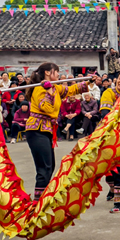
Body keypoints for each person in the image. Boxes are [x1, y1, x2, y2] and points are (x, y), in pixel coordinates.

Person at [24, 63, 89, 201]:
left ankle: (43, 198)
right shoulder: (39, 89)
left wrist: (88, 81)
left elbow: (70, 90)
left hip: (46, 129)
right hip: (37, 130)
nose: (59, 75)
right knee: (44, 168)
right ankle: (37, 202)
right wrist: (49, 92)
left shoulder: (54, 87)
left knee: (50, 166)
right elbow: (46, 108)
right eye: (56, 72)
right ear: (48, 73)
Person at [99, 69, 120, 213]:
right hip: (108, 134)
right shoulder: (109, 93)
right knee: (107, 167)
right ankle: (113, 191)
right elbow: (105, 114)